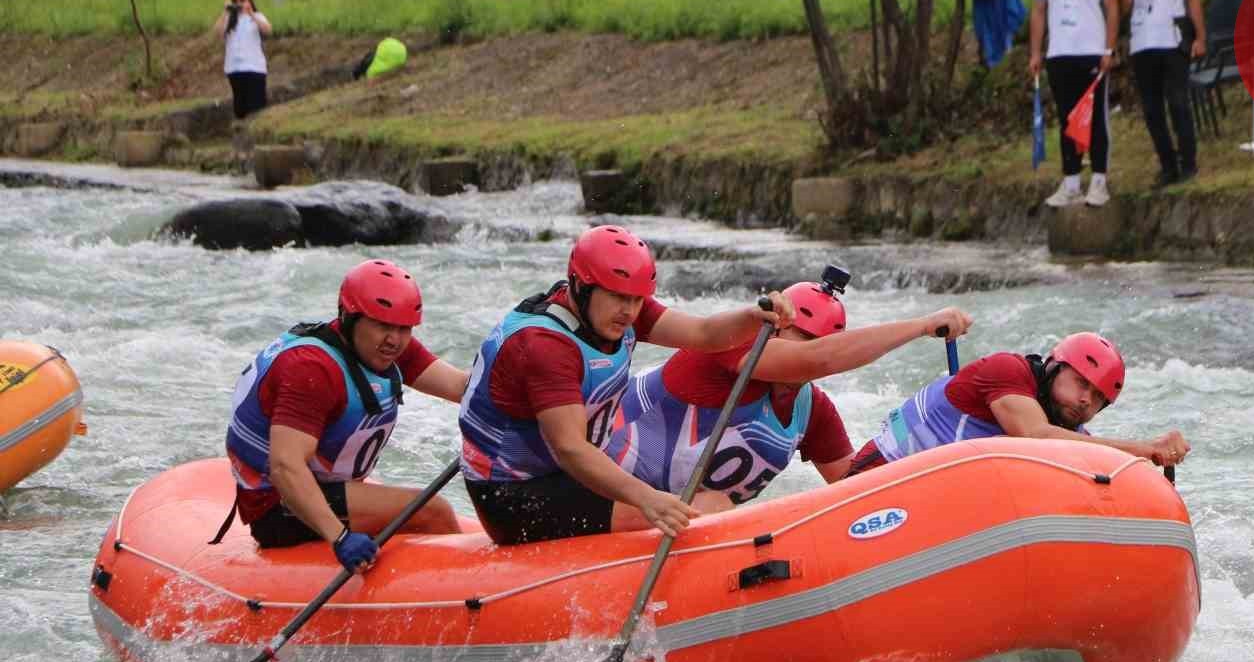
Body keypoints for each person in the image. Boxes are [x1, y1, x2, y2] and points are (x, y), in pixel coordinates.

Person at [458, 226, 794, 546]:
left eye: (637, 300)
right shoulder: (546, 346)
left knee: (711, 502)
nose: (629, 311)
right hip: (512, 495)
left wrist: (751, 318)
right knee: (707, 508)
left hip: (564, 475)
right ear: (580, 285)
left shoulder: (615, 308)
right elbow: (570, 449)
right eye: (619, 297)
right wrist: (647, 499)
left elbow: (704, 335)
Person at [606, 268, 974, 505]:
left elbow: (853, 487)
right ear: (776, 327)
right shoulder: (731, 346)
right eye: (804, 337)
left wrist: (933, 465)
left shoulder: (811, 410)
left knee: (712, 505)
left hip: (673, 519)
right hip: (603, 489)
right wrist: (922, 325)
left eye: (819, 340)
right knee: (712, 505)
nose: (809, 350)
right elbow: (819, 359)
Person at [223, 260, 470, 569]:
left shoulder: (383, 347)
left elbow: (461, 387)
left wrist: (514, 381)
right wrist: (339, 537)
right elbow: (285, 467)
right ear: (349, 318)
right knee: (434, 511)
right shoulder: (312, 369)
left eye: (404, 328)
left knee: (422, 509)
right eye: (384, 325)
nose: (395, 339)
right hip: (281, 505)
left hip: (325, 489)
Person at [845, 332, 1190, 476]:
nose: (1086, 400)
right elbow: (1033, 436)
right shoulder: (1007, 370)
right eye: (1082, 383)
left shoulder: (1071, 432)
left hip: (928, 495)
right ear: (1054, 367)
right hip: (875, 475)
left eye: (1099, 398)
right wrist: (1143, 449)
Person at [1029, 0, 1121, 209]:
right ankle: (1070, 182)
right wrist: (1035, 52)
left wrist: (1109, 48)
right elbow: (1039, 11)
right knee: (1068, 119)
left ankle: (1098, 181)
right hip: (1059, 53)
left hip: (1091, 52)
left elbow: (1112, 7)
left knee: (1095, 119)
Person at [1119, 0, 1206, 189]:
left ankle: (1188, 163)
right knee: (1152, 109)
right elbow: (1126, 5)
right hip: (1142, 43)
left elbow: (1192, 0)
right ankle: (1167, 165)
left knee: (1178, 102)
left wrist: (1200, 37)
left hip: (1171, 40)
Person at [213, 0, 272, 120]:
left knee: (256, 105)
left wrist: (251, 14)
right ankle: (242, 133)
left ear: (249, 1)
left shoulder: (257, 16)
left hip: (254, 68)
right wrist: (225, 12)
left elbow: (267, 30)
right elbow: (217, 32)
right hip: (235, 68)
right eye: (236, 1)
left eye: (242, 0)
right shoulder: (229, 19)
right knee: (240, 106)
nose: (239, 3)